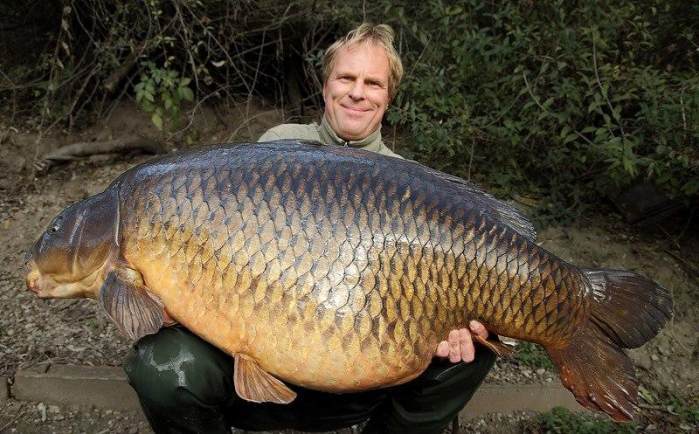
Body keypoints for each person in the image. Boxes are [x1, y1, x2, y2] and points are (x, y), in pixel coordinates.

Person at [125, 23, 497, 434]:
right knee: (159, 363)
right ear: (325, 87)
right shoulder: (274, 150)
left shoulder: (410, 189)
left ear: (388, 97)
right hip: (256, 368)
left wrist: (453, 329)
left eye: (372, 83)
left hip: (357, 379)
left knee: (471, 350)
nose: (358, 91)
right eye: (346, 78)